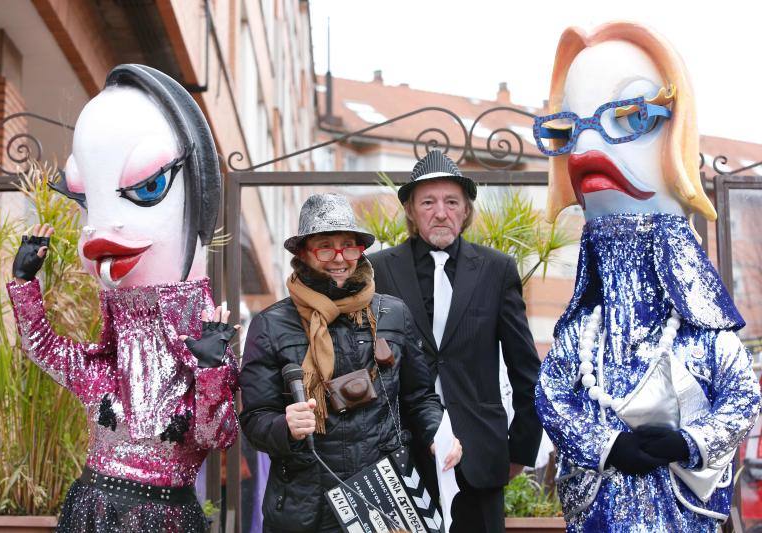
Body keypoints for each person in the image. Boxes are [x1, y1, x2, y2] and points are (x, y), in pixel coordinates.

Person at [534, 22, 760, 531]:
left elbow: (743, 398)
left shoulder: (705, 339)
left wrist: (689, 442)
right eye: (570, 129)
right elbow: (552, 394)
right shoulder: (583, 336)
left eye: (632, 115)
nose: (588, 143)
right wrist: (607, 446)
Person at [7, 64, 239, 532]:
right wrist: (24, 283)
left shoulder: (203, 348)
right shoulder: (104, 375)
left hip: (165, 516)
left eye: (148, 185)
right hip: (91, 510)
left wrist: (212, 370)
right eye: (86, 200)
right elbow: (43, 348)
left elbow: (218, 434)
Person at [239, 193, 462, 532]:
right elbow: (255, 420)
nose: (339, 258)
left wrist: (437, 436)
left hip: (383, 497)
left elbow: (419, 397)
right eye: (325, 246)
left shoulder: (392, 313)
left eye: (349, 246)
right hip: (305, 506)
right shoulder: (271, 324)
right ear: (302, 253)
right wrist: (285, 426)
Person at [368, 150, 543, 533]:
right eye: (428, 202)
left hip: (479, 455)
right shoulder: (379, 270)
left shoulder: (497, 270)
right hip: (402, 452)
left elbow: (525, 368)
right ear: (411, 211)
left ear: (466, 211)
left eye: (451, 202)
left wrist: (519, 449)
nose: (441, 213)